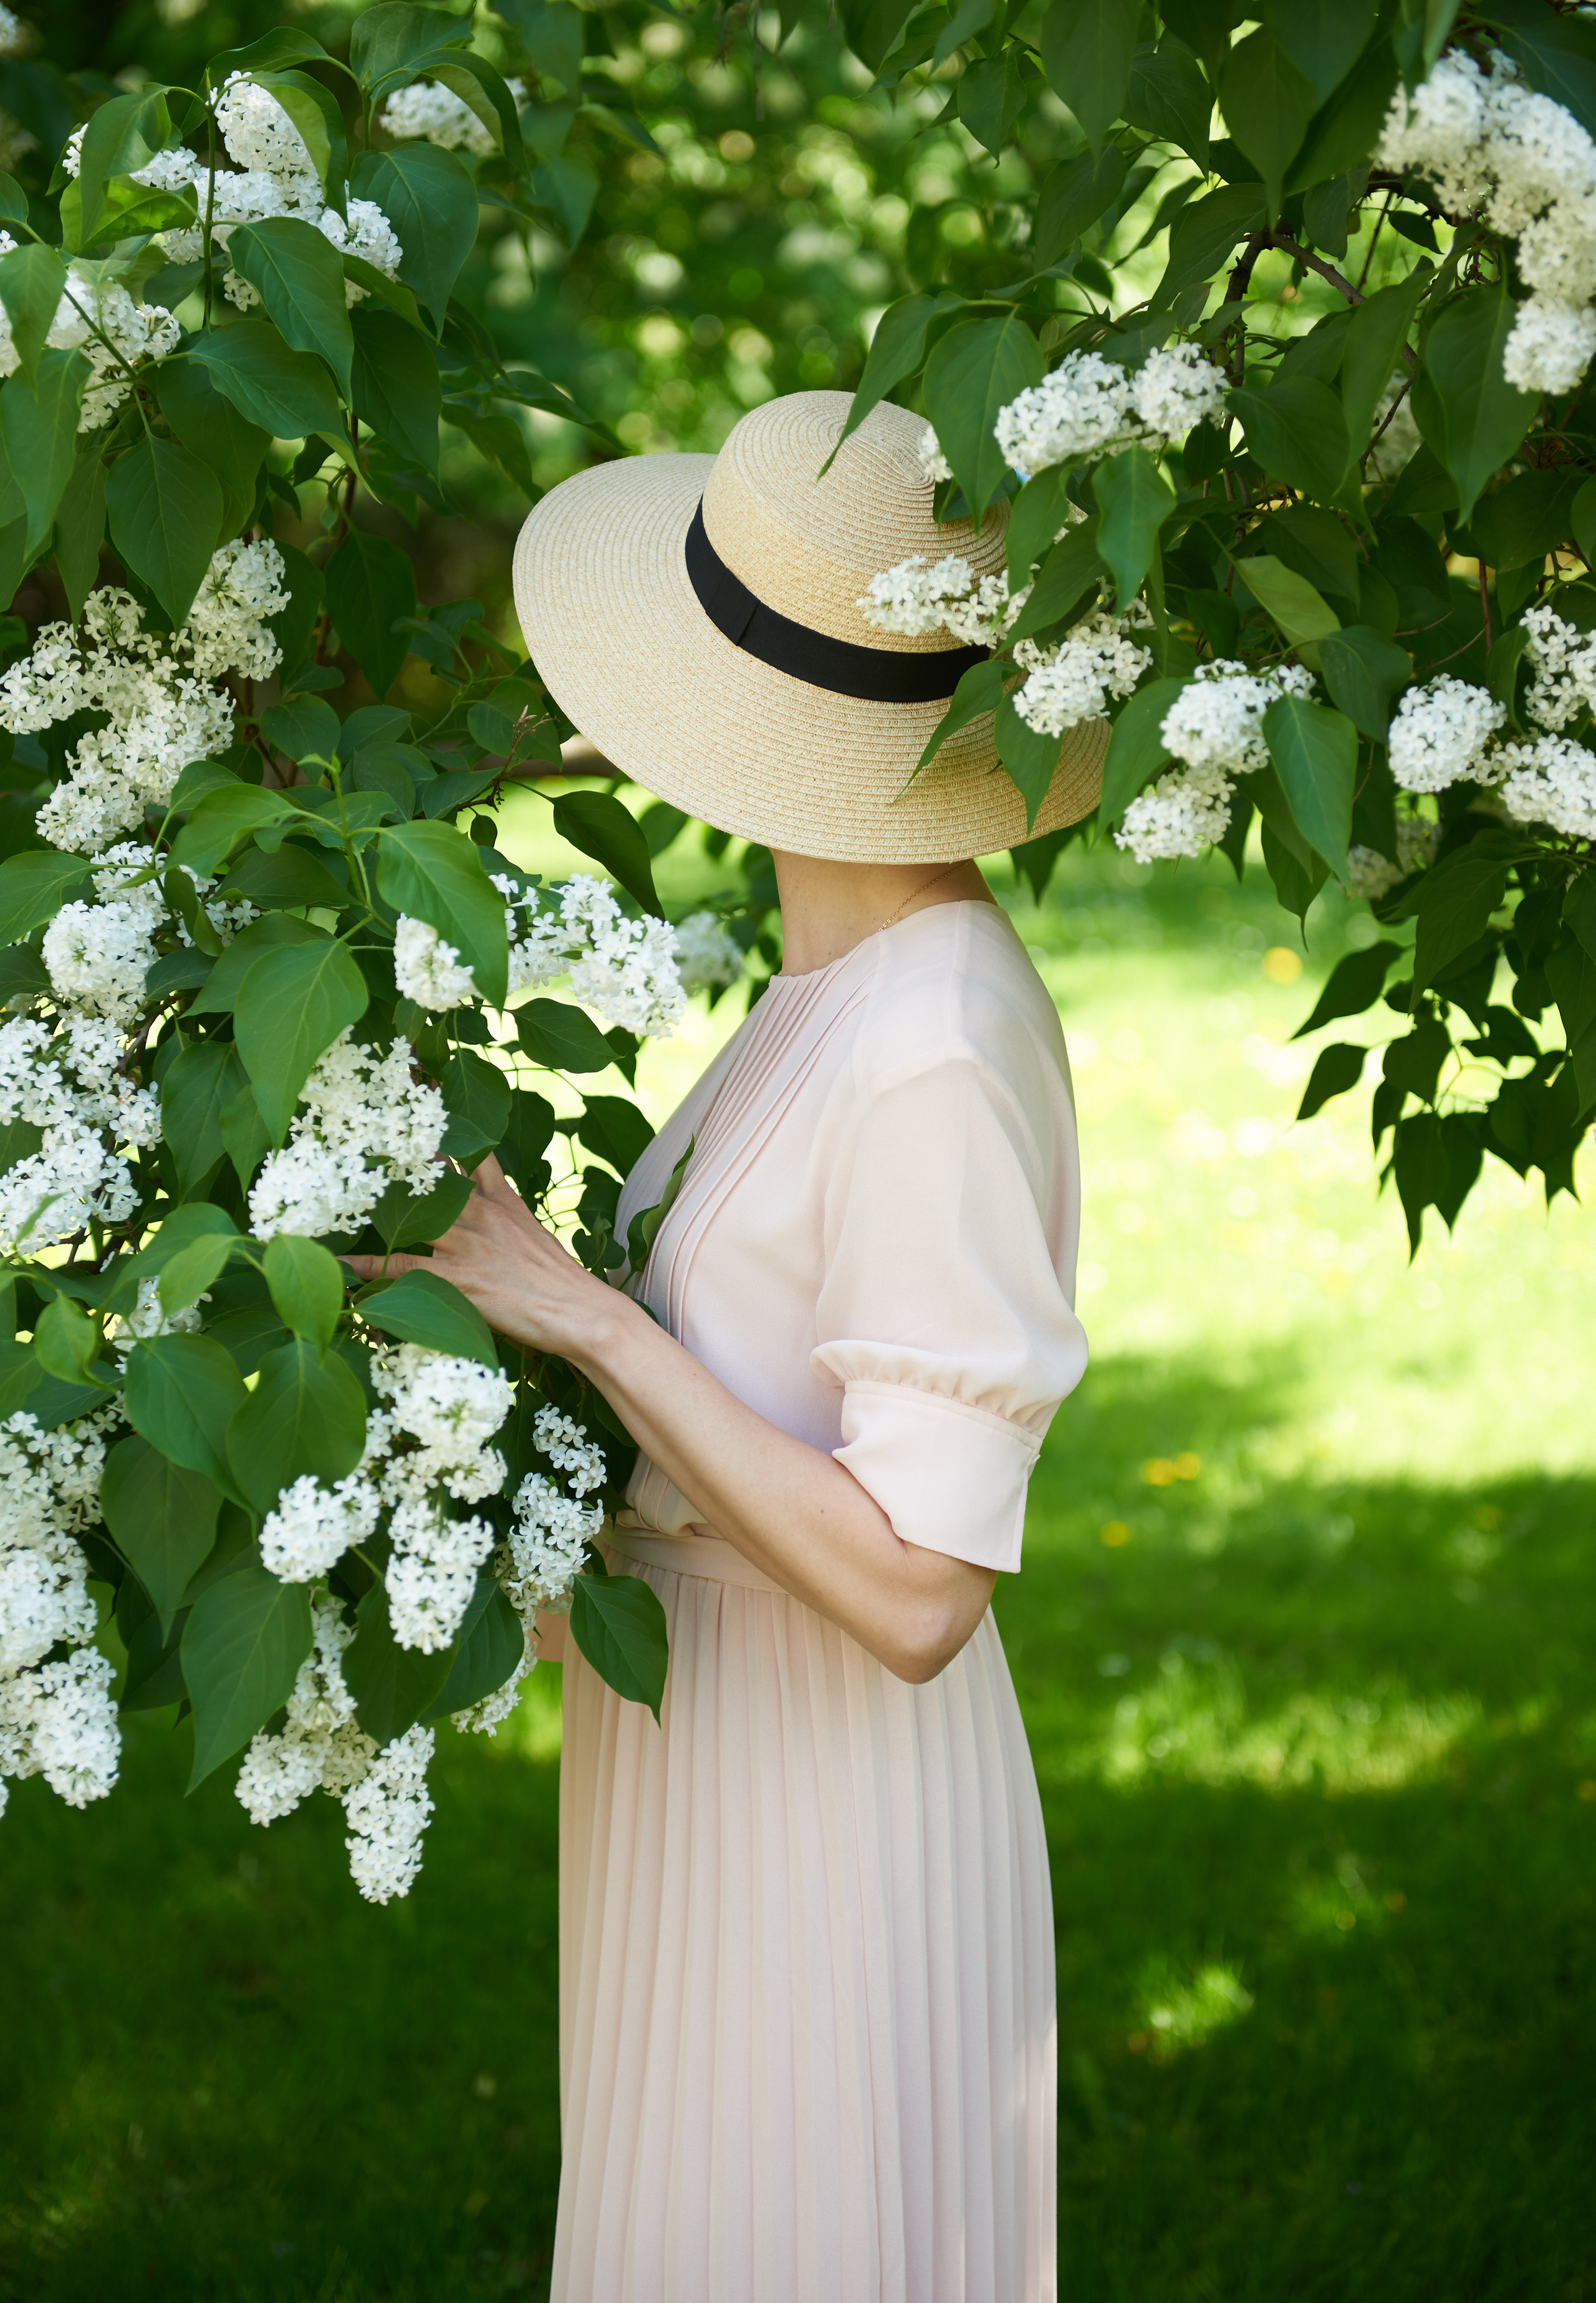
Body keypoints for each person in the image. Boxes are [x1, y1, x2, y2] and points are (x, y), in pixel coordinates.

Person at [352, 392, 1107, 2301]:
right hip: (703, 1756)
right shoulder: (828, 983)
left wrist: (586, 1318)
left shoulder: (933, 1038)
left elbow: (921, 1584)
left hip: (824, 1794)